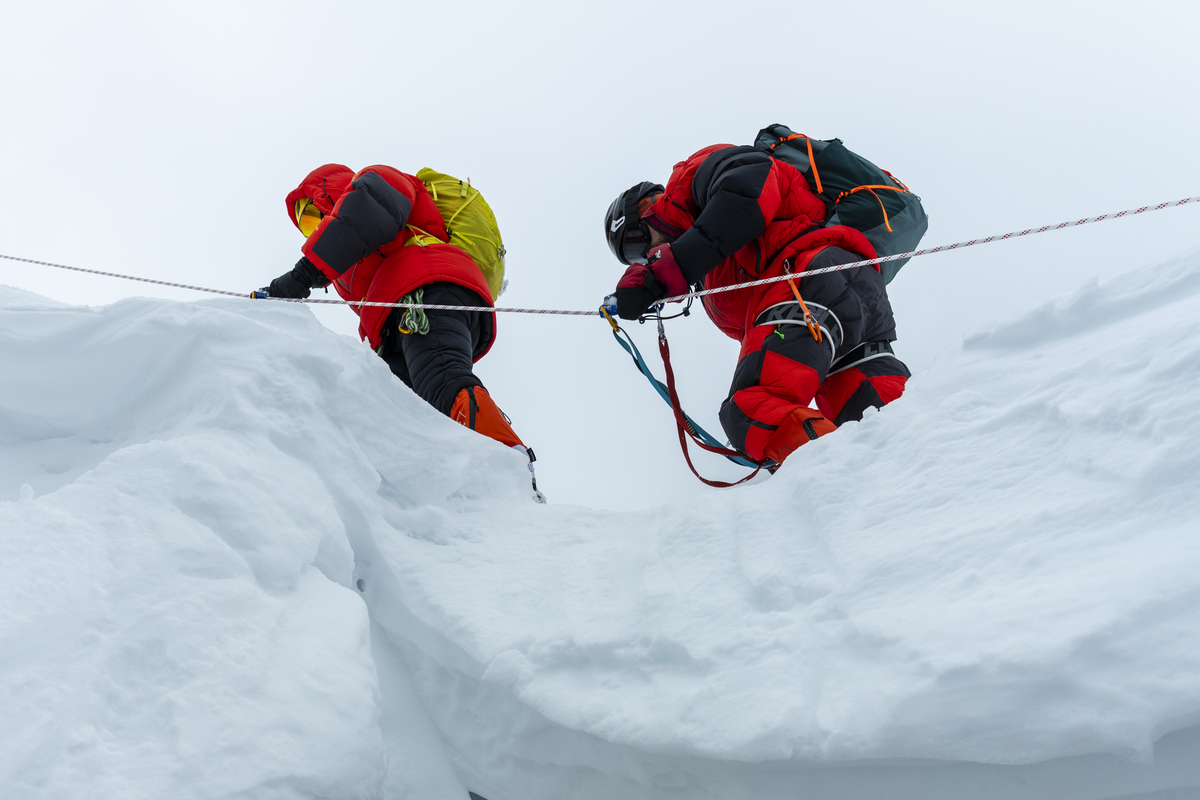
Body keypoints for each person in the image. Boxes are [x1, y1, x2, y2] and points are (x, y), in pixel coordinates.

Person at [604, 143, 910, 468]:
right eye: (634, 255)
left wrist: (659, 274)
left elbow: (749, 190)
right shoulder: (711, 272)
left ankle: (840, 480)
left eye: (637, 241)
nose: (646, 252)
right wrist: (658, 277)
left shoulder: (689, 184)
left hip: (807, 277)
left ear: (650, 205)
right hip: (852, 292)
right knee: (871, 410)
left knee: (751, 408)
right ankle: (927, 459)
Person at [255, 163, 541, 498]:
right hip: (397, 321)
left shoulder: (377, 183)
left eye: (310, 216)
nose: (313, 230)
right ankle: (458, 497)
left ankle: (511, 465)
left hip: (427, 287)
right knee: (411, 417)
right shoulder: (349, 270)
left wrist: (301, 277)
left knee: (443, 379)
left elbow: (365, 212)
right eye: (305, 227)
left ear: (328, 194)